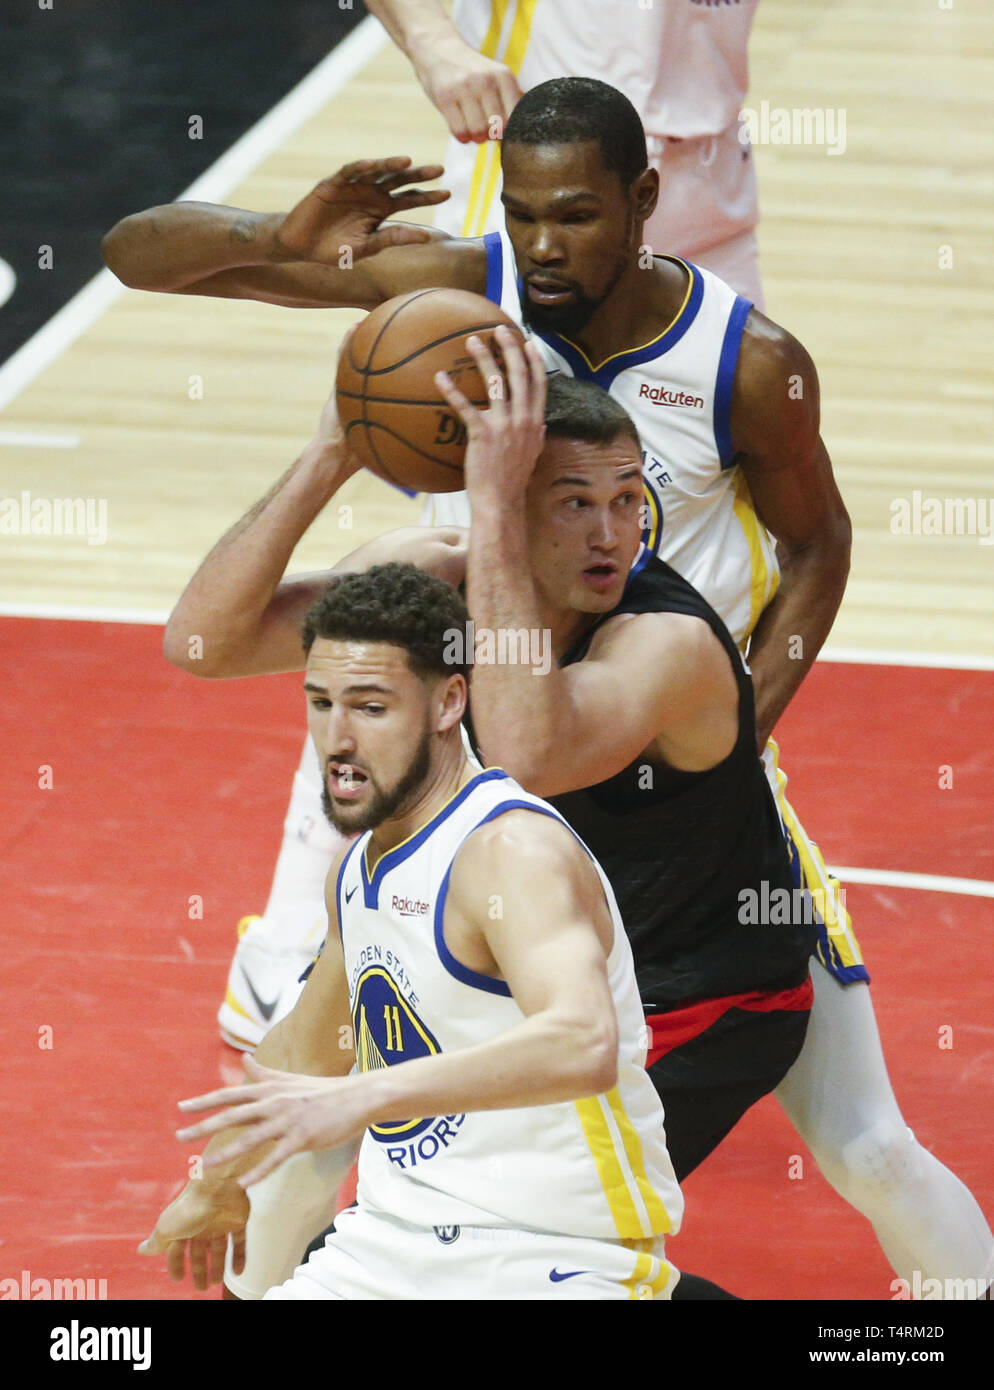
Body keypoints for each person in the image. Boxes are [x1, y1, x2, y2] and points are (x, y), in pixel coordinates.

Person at [104, 77, 994, 1295]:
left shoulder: (746, 362)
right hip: (503, 751)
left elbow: (821, 546)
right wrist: (277, 241)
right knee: (336, 1108)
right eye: (520, 215)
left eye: (571, 216)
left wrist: (732, 726)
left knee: (865, 1143)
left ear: (641, 202)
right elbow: (134, 257)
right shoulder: (457, 295)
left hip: (666, 754)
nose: (541, 245)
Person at [141, 560, 687, 1301]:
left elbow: (583, 1042)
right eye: (321, 702)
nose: (337, 738)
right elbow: (305, 1049)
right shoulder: (363, 869)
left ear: (447, 703)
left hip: (552, 1258)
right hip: (388, 1246)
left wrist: (366, 1099)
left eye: (370, 708)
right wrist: (216, 1178)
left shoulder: (509, 851)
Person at [364, 0, 764, 303]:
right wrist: (433, 45)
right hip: (541, 175)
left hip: (708, 179)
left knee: (734, 397)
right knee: (422, 384)